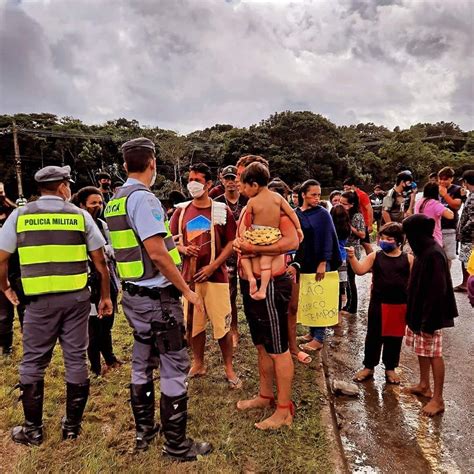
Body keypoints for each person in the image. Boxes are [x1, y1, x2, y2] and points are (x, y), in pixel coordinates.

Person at [105, 139, 211, 459]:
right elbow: (157, 253)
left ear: (125, 166)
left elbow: (138, 247)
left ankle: (144, 432)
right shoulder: (145, 199)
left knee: (141, 363)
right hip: (159, 300)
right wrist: (187, 290)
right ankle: (176, 445)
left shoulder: (116, 200)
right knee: (174, 365)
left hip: (134, 298)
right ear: (152, 163)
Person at [0, 165, 113, 446]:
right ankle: (72, 427)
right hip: (76, 299)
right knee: (76, 358)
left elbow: (1, 257)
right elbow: (100, 263)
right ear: (63, 186)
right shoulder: (79, 215)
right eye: (68, 184)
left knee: (34, 361)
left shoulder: (19, 215)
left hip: (38, 303)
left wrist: (5, 287)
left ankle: (33, 430)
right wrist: (106, 296)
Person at [234, 154, 298, 430]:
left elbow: (293, 239)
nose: (238, 184)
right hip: (251, 282)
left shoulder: (276, 207)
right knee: (262, 343)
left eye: (242, 179)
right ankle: (265, 394)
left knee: (278, 347)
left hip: (271, 284)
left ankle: (284, 410)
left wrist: (254, 249)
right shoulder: (252, 206)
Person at [170, 163, 240, 388]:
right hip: (189, 279)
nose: (192, 184)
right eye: (190, 179)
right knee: (194, 325)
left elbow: (231, 242)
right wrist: (182, 250)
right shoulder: (180, 211)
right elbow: (169, 241)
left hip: (216, 277)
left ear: (209, 184)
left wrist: (213, 266)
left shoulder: (221, 211)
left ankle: (228, 367)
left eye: (198, 180)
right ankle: (198, 363)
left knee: (223, 325)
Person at [402, 214, 458, 416]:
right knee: (421, 348)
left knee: (434, 353)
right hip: (418, 312)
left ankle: (438, 398)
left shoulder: (433, 254)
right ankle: (424, 384)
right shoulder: (422, 250)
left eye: (408, 234)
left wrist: (428, 321)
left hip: (430, 315)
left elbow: (437, 291)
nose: (407, 239)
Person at [347, 223, 413, 384]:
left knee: (394, 337)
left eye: (389, 239)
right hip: (378, 302)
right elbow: (360, 270)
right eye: (382, 238)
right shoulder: (375, 256)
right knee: (373, 336)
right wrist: (352, 258)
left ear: (399, 241)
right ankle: (368, 367)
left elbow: (414, 283)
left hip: (399, 305)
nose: (384, 241)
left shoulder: (409, 259)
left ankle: (390, 368)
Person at [74, 186, 122, 377]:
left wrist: (107, 251)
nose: (98, 206)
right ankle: (95, 366)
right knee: (93, 325)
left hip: (106, 277)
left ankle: (109, 358)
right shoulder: (77, 226)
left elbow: (112, 247)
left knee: (107, 322)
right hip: (87, 280)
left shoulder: (102, 225)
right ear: (81, 205)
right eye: (93, 202)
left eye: (100, 202)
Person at [239, 162, 303, 300]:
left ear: (254, 185)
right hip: (271, 236)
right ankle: (260, 288)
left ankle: (252, 280)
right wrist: (298, 228)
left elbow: (248, 222)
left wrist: (250, 244)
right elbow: (292, 213)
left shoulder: (252, 202)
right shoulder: (278, 198)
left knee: (245, 255)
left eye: (245, 186)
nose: (243, 190)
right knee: (265, 263)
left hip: (256, 236)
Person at [293, 180, 342, 352]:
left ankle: (319, 338)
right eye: (313, 194)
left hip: (320, 262)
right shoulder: (296, 213)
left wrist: (323, 262)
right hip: (304, 261)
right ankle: (311, 332)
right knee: (309, 296)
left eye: (318, 195)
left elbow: (328, 238)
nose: (316, 198)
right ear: (303, 194)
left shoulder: (322, 213)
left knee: (320, 298)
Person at [215, 165, 248, 347]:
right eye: (227, 178)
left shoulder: (247, 200)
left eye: (233, 178)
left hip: (247, 253)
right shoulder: (217, 202)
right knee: (229, 295)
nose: (230, 182)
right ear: (222, 180)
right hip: (227, 255)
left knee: (251, 291)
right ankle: (232, 329)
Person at [340, 191, 365, 315]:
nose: (341, 205)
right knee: (346, 279)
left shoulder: (357, 216)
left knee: (350, 279)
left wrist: (349, 226)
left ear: (352, 204)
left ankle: (352, 307)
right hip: (343, 249)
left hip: (352, 250)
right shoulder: (343, 213)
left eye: (344, 203)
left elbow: (362, 234)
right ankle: (348, 305)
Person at [0, 182, 17, 355]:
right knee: (4, 314)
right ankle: (6, 347)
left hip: (18, 268)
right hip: (0, 271)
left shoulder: (14, 214)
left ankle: (33, 345)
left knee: (26, 311)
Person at [437, 167, 463, 268]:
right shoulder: (435, 188)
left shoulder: (457, 189)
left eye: (445, 179)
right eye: (440, 179)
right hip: (436, 227)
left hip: (450, 226)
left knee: (448, 256)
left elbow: (456, 205)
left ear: (451, 179)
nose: (442, 181)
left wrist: (445, 195)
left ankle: (446, 279)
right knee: (436, 255)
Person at [343, 177, 373, 255]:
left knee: (366, 244)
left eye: (347, 187)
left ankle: (373, 262)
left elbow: (369, 209)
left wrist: (370, 225)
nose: (345, 189)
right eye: (344, 188)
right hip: (353, 222)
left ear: (353, 186)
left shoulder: (362, 195)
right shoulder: (348, 196)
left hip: (363, 223)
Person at [455, 169, 474, 292]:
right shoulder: (470, 195)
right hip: (469, 234)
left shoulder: (473, 197)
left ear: (466, 182)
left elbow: (473, 219)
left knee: (467, 260)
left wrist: (463, 231)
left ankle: (467, 284)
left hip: (470, 235)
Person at [330, 204, 351, 311]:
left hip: (332, 258)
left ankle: (334, 311)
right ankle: (340, 310)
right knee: (341, 285)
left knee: (332, 286)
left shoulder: (330, 229)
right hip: (342, 258)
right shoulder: (347, 228)